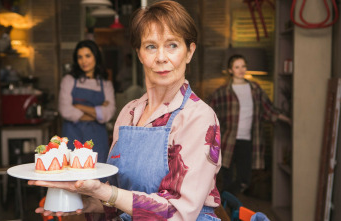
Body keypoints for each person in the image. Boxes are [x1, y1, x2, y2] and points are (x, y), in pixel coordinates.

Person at [29, 1, 222, 220]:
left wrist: (104, 192)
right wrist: (88, 202)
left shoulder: (198, 117)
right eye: (150, 46)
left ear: (189, 52)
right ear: (139, 54)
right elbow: (118, 196)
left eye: (172, 45)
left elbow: (178, 212)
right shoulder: (129, 113)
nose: (161, 57)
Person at [207, 54, 291, 195]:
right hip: (227, 141)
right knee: (225, 179)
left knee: (244, 180)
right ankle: (227, 213)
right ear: (230, 70)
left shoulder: (255, 89)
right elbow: (208, 111)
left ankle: (223, 201)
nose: (241, 70)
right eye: (237, 67)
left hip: (247, 141)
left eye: (243, 66)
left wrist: (287, 120)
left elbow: (268, 109)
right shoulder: (222, 92)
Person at [58, 39, 116, 163]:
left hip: (97, 138)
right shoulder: (69, 80)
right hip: (72, 136)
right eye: (80, 57)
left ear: (96, 56)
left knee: (97, 174)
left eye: (87, 56)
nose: (83, 61)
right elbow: (65, 110)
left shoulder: (106, 84)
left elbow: (108, 113)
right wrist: (97, 111)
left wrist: (79, 106)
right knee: (72, 175)